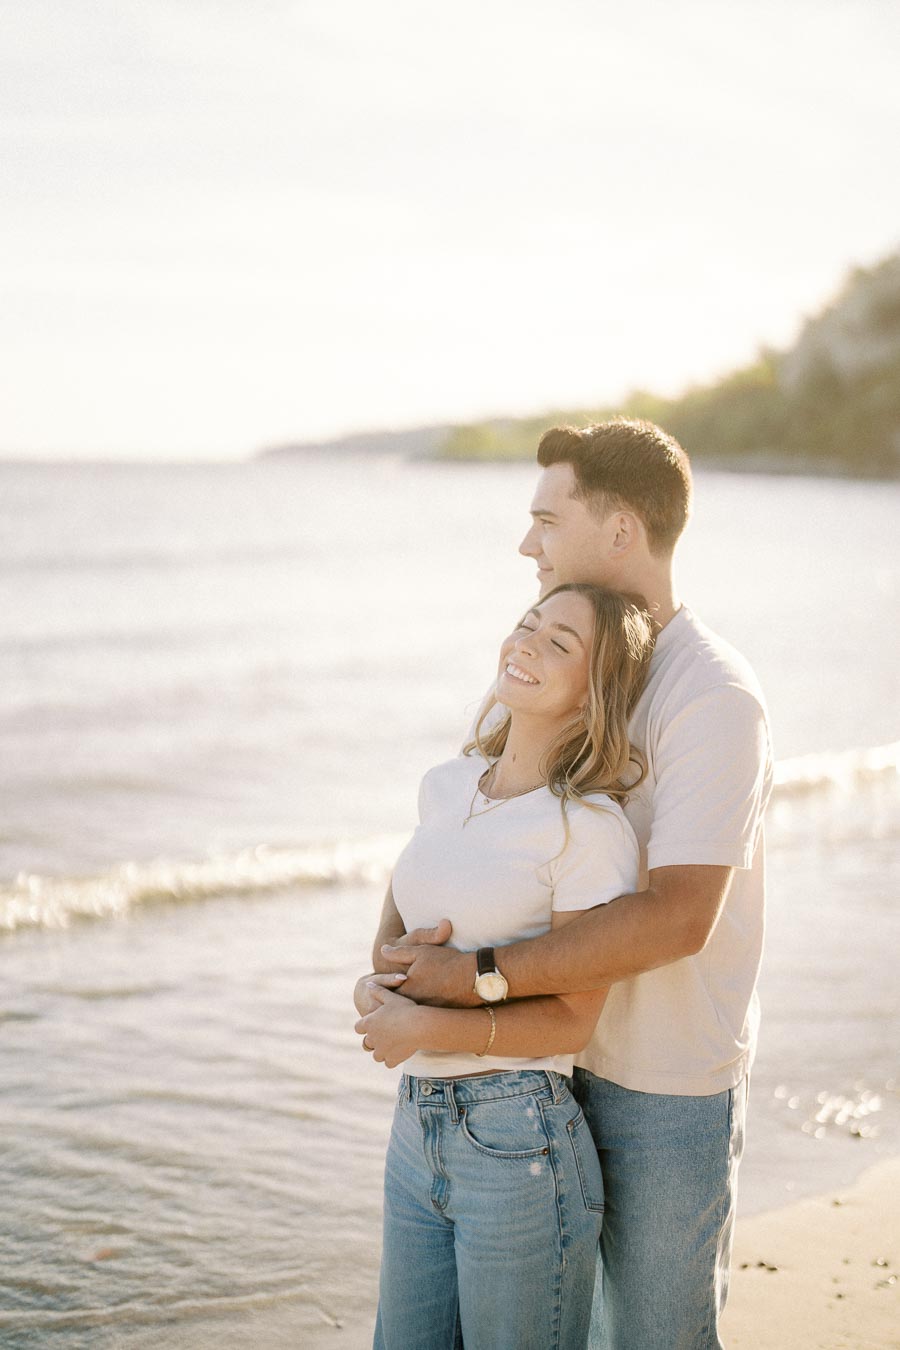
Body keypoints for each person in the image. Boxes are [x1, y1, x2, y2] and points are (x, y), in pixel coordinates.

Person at [375, 420, 774, 1350]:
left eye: (546, 520)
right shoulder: (572, 659)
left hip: (659, 1084)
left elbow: (680, 916)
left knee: (652, 1336)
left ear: (621, 529)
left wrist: (475, 976)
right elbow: (464, 835)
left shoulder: (709, 692)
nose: (528, 545)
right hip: (536, 1079)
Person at [355, 582, 656, 1350]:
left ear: (596, 695)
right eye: (528, 625)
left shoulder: (587, 829)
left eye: (560, 643)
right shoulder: (444, 786)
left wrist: (425, 1019)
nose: (527, 644)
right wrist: (374, 986)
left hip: (519, 1138)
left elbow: (572, 1019)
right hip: (415, 1124)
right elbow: (395, 945)